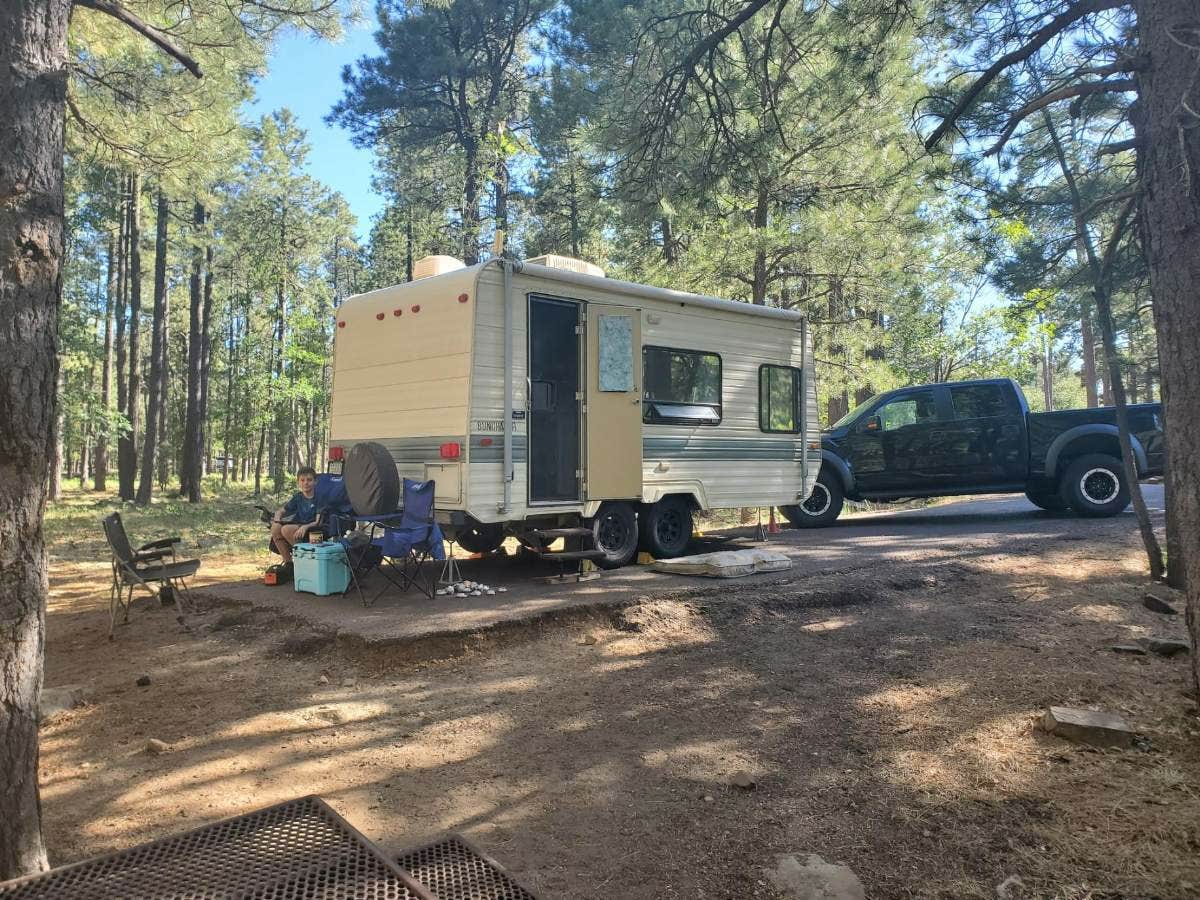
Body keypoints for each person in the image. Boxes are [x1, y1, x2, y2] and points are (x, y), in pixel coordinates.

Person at [271, 466, 319, 568]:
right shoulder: (298, 497)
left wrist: (305, 527)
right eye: (302, 480)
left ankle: (305, 562)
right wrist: (277, 519)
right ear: (298, 483)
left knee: (286, 529)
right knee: (276, 528)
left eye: (309, 480)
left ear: (315, 482)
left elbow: (318, 522)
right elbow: (281, 511)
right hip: (298, 528)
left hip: (317, 533)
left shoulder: (320, 498)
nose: (306, 483)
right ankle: (289, 564)